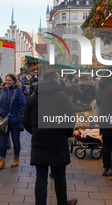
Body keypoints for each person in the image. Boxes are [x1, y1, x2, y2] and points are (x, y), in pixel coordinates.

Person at [22, 69, 77, 205]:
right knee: (59, 176)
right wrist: (66, 134)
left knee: (40, 176)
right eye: (58, 79)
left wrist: (35, 131)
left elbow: (25, 120)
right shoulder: (62, 96)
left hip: (39, 140)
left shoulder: (33, 97)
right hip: (58, 140)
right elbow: (70, 119)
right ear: (54, 79)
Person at [0, 73, 26, 169]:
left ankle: (16, 158)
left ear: (14, 81)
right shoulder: (1, 91)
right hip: (3, 120)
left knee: (15, 141)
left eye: (10, 80)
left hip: (14, 120)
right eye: (6, 80)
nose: (7, 82)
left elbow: (22, 105)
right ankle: (2, 160)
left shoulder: (18, 91)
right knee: (3, 142)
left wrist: (18, 118)